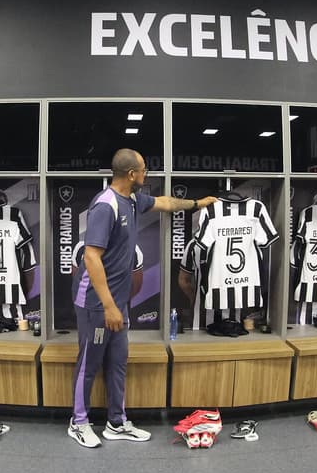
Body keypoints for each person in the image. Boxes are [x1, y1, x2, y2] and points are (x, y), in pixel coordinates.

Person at [68, 148, 218, 448]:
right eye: (144, 170)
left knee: (118, 363)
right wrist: (110, 306)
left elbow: (163, 202)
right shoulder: (106, 205)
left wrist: (197, 204)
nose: (147, 174)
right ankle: (79, 421)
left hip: (118, 303)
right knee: (89, 364)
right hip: (97, 304)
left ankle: (116, 422)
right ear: (131, 174)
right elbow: (91, 258)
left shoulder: (132, 199)